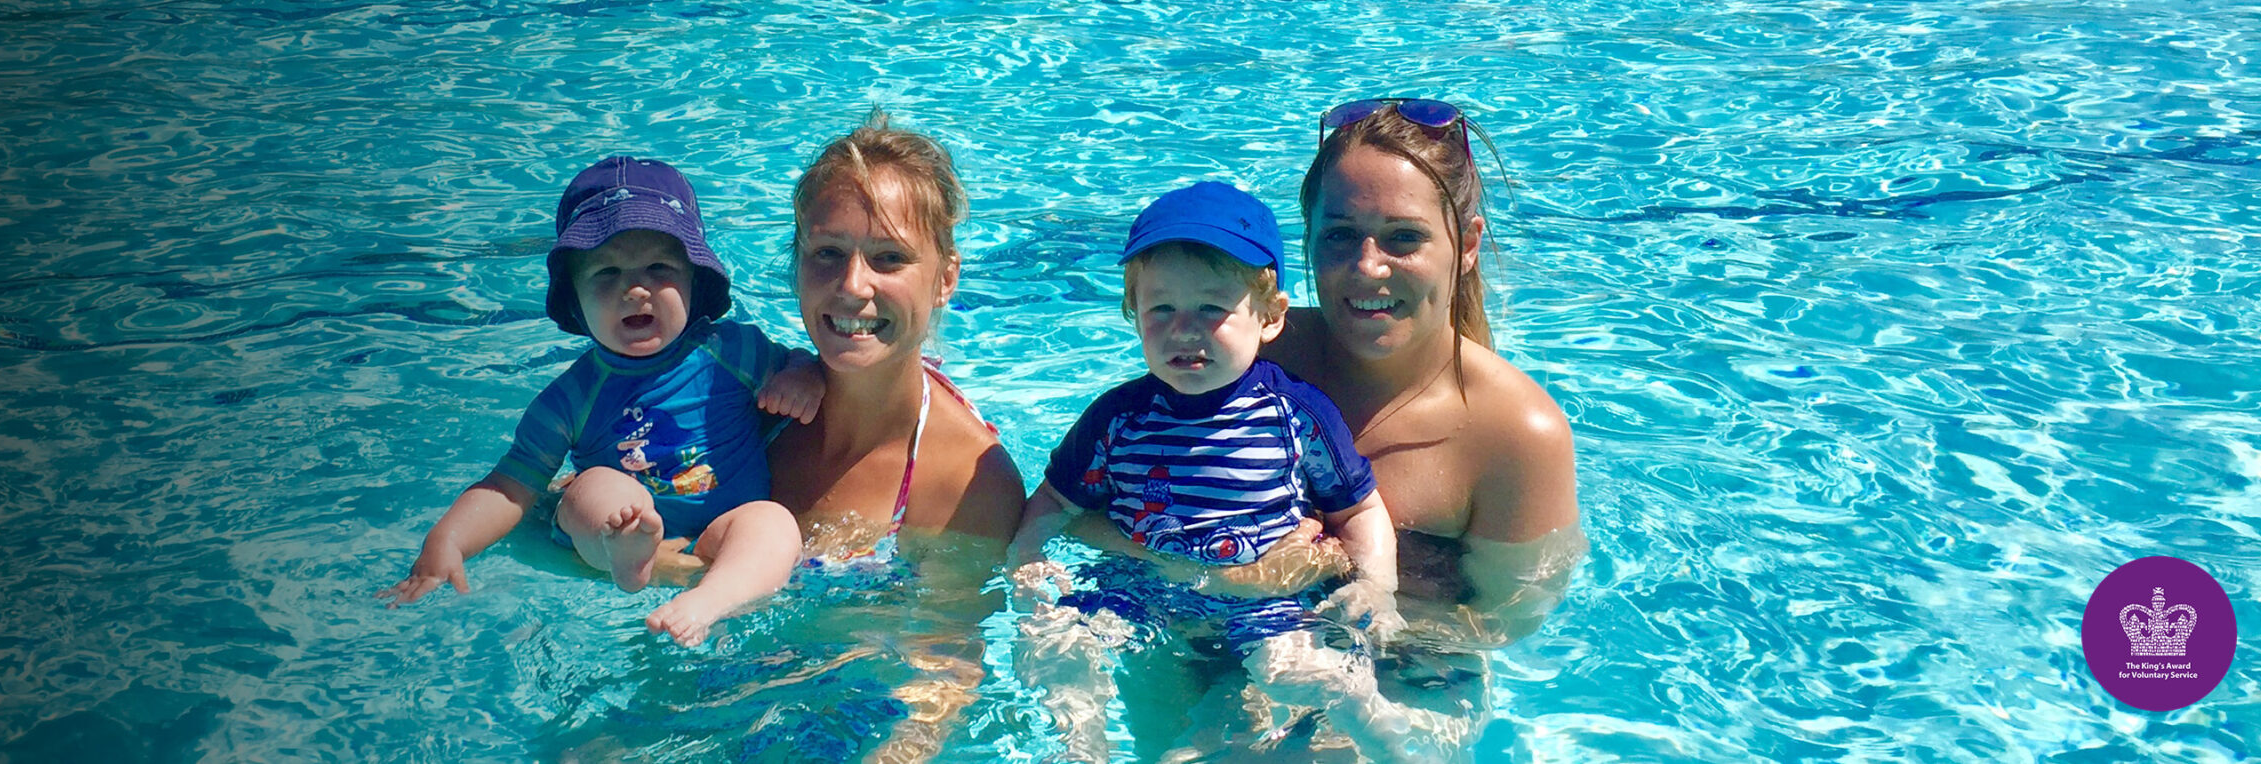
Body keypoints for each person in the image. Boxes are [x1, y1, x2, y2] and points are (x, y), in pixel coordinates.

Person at [1075, 99, 1588, 760]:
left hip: (1400, 674)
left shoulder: (1517, 434)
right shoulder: (1252, 355)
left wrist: (1339, 587)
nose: (1367, 267)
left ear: (1466, 246)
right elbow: (1096, 510)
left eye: (1403, 237)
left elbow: (1501, 626)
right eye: (1340, 235)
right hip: (1212, 633)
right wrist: (1216, 572)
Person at [643, 111, 1028, 762]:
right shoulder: (737, 406)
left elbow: (948, 669)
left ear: (945, 279)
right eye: (827, 253)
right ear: (795, 264)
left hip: (853, 721)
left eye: (889, 258)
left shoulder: (966, 480)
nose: (853, 287)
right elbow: (578, 516)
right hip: (711, 683)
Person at [1005, 181, 1402, 760]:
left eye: (1211, 308)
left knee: (1308, 674)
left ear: (1269, 318)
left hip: (1263, 606)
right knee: (1057, 642)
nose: (1184, 329)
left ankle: (1392, 739)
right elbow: (1054, 502)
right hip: (1139, 594)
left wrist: (1377, 587)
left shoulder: (1295, 414)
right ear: (1133, 314)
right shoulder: (1116, 418)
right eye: (1161, 308)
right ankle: (1080, 747)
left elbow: (1359, 508)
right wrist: (1027, 560)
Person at [378, 156, 826, 649]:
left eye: (658, 268)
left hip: (719, 528)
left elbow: (804, 364)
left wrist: (801, 377)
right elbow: (510, 486)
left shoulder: (734, 352)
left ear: (695, 280)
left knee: (771, 523)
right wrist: (446, 541)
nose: (635, 289)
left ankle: (708, 602)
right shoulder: (570, 397)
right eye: (607, 273)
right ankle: (628, 550)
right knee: (594, 487)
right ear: (574, 298)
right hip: (607, 537)